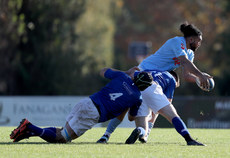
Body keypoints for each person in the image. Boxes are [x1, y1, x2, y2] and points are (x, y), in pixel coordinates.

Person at [98, 22, 209, 145]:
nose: (199, 44)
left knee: (132, 108)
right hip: (143, 71)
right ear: (191, 39)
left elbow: (187, 75)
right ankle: (113, 135)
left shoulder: (190, 54)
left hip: (152, 79)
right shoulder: (178, 42)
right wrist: (200, 75)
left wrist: (200, 80)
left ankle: (132, 134)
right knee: (134, 107)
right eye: (199, 41)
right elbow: (184, 62)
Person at [10, 66, 153, 143]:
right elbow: (131, 117)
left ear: (136, 75)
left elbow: (102, 71)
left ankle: (26, 132)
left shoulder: (122, 76)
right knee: (62, 138)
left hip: (87, 102)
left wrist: (127, 72)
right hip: (93, 113)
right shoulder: (137, 98)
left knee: (61, 132)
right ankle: (29, 126)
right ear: (145, 87)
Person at [97, 70, 179, 144]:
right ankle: (144, 135)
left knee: (122, 111)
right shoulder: (168, 77)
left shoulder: (158, 67)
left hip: (132, 88)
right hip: (141, 92)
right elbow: (168, 102)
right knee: (152, 113)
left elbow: (130, 74)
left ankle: (106, 136)